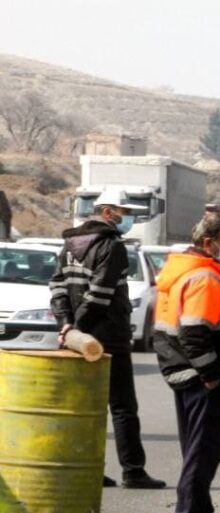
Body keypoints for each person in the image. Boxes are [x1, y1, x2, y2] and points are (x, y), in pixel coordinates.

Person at [49, 189, 166, 490]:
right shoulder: (111, 246)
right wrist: (79, 328)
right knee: (123, 406)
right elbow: (100, 295)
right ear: (107, 212)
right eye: (123, 213)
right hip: (106, 337)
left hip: (78, 339)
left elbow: (58, 286)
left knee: (89, 406)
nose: (127, 219)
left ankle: (88, 467)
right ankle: (134, 470)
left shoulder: (70, 244)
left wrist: (67, 326)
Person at [153, 214, 220, 513]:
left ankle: (202, 512)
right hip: (199, 376)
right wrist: (209, 374)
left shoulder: (183, 272)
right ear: (209, 242)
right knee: (202, 449)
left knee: (199, 446)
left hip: (183, 371)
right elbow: (194, 332)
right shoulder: (204, 278)